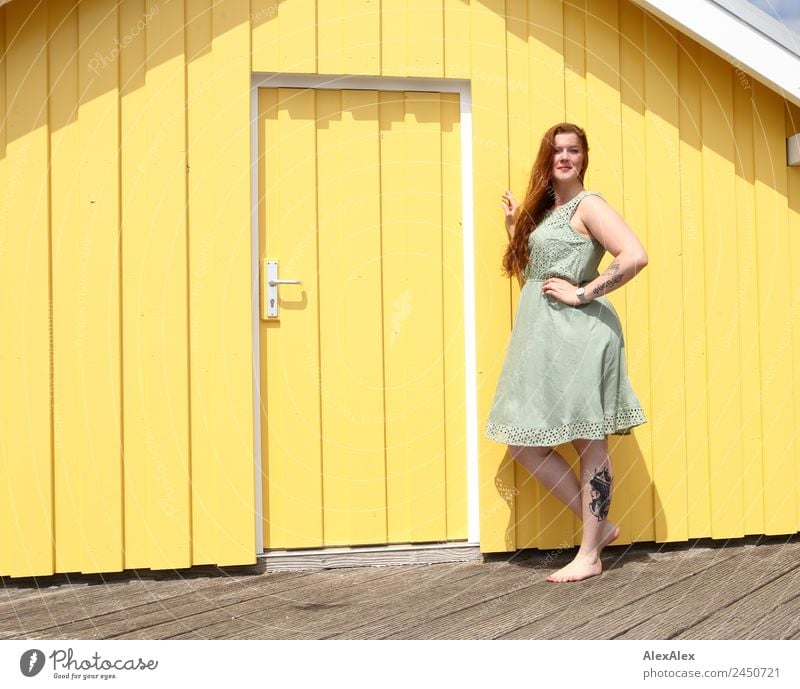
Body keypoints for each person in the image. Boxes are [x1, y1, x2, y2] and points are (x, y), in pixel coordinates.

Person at [484, 122, 648, 583]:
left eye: (572, 150)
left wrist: (583, 293)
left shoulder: (589, 204)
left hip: (579, 336)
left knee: (588, 442)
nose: (564, 157)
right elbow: (535, 278)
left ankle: (590, 555)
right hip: (542, 336)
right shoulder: (549, 210)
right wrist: (519, 227)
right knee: (525, 443)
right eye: (556, 151)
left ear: (584, 157)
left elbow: (633, 255)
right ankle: (600, 530)